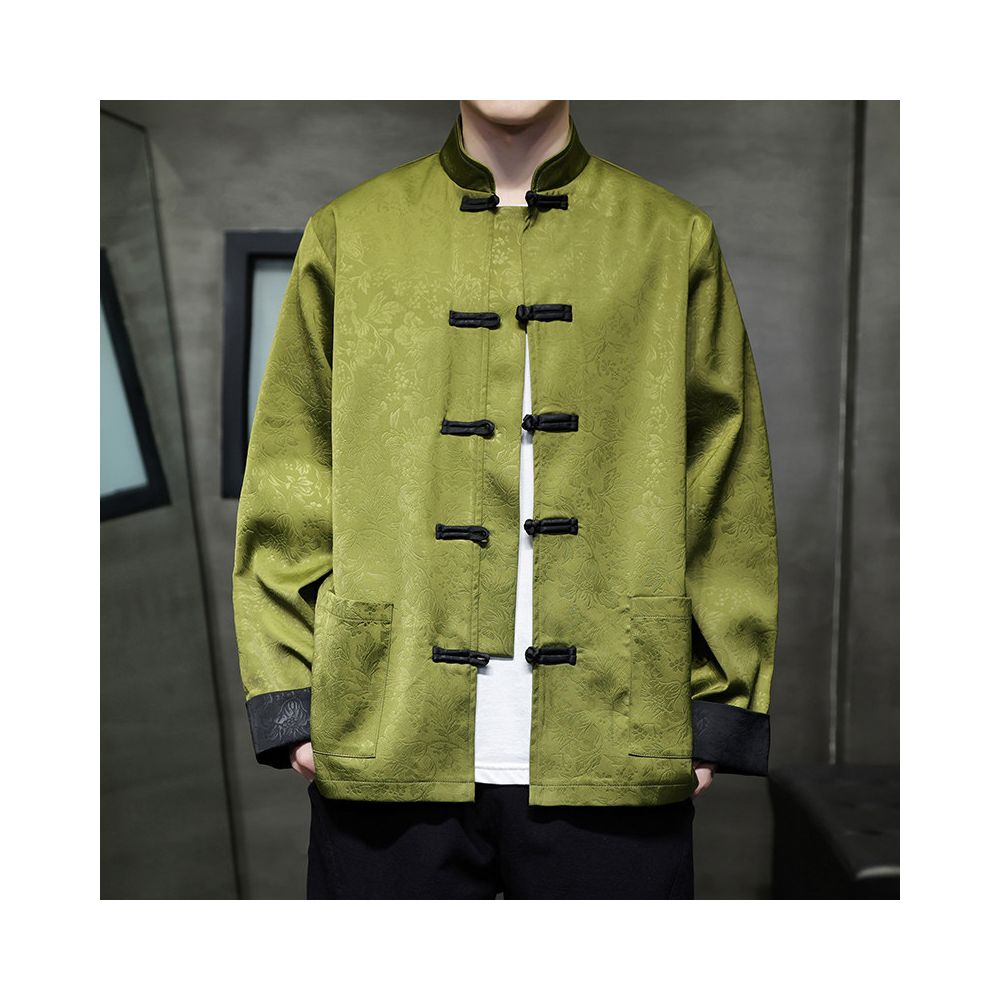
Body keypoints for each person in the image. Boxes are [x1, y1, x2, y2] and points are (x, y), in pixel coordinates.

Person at [232, 100, 779, 899]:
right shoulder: (351, 233)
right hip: (386, 730)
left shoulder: (671, 238)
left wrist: (720, 705)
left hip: (619, 737)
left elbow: (726, 480)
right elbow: (291, 468)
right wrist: (289, 695)